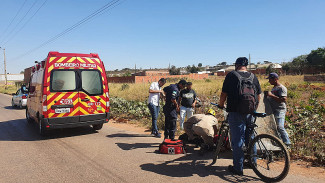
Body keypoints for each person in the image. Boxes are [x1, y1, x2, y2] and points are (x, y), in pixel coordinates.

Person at [218, 57, 262, 176]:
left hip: (235, 111)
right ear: (246, 65)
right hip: (250, 112)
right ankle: (253, 162)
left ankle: (238, 168)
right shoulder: (253, 77)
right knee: (250, 137)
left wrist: (221, 105)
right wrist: (253, 109)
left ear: (236, 65)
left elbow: (223, 94)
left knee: (237, 140)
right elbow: (258, 96)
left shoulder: (231, 75)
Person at [265, 73, 291, 147]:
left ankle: (288, 143)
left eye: (270, 79)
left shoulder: (281, 88)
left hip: (280, 110)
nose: (269, 81)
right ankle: (280, 144)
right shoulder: (274, 88)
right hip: (274, 110)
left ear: (275, 79)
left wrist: (271, 95)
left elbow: (283, 99)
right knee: (275, 127)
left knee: (280, 126)